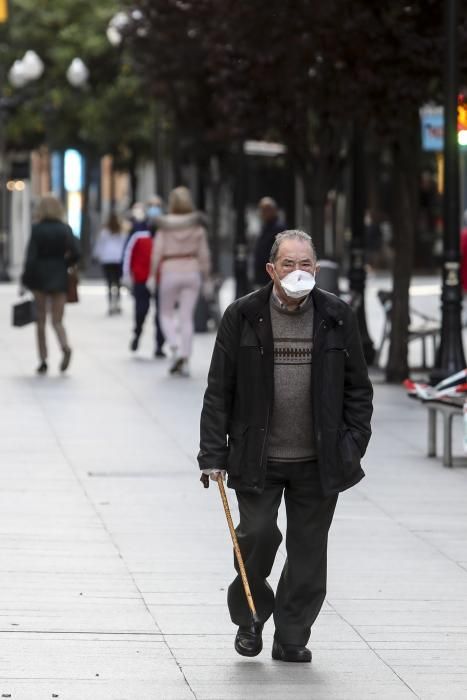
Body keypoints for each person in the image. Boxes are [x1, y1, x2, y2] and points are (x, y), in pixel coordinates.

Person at [198, 230, 373, 662]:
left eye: (307, 264)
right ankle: (250, 617)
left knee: (309, 553)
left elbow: (358, 389)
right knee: (256, 536)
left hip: (319, 458)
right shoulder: (243, 315)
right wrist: (212, 455)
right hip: (257, 455)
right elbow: (219, 389)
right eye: (290, 265)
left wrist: (351, 444)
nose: (299, 272)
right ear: (271, 270)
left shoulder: (336, 315)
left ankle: (292, 633)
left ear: (317, 268)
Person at [150, 186, 211, 377]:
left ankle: (175, 346)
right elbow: (204, 255)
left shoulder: (164, 226)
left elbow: (156, 253)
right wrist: (207, 277)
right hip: (192, 270)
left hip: (169, 269)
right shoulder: (197, 226)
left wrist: (152, 275)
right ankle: (185, 357)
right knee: (186, 317)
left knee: (165, 313)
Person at [21, 193, 80, 375]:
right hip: (59, 275)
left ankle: (43, 359)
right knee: (57, 320)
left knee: (40, 320)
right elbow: (77, 252)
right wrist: (66, 263)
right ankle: (65, 347)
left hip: (39, 276)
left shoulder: (37, 229)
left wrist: (25, 279)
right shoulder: (65, 229)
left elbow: (31, 257)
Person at [93, 212, 126, 315]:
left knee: (109, 283)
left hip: (107, 259)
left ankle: (111, 304)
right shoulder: (121, 232)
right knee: (118, 283)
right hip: (118, 259)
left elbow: (100, 245)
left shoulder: (104, 232)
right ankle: (117, 304)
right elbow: (125, 245)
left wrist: (96, 255)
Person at [253, 197, 285, 286]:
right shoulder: (265, 226)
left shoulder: (278, 228)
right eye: (261, 210)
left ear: (273, 210)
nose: (262, 213)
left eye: (265, 210)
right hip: (262, 275)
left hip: (271, 276)